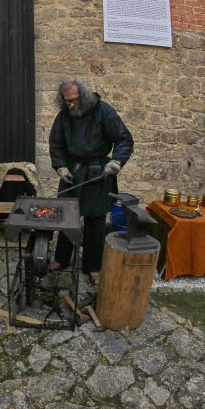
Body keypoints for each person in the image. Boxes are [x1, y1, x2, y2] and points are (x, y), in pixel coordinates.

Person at [48, 78, 134, 278]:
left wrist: (116, 162)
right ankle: (61, 259)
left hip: (98, 172)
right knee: (67, 216)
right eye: (67, 101)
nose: (71, 104)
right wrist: (60, 167)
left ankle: (93, 266)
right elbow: (56, 144)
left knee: (95, 221)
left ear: (84, 97)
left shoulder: (104, 111)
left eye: (74, 100)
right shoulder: (64, 116)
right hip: (73, 171)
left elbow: (124, 139)